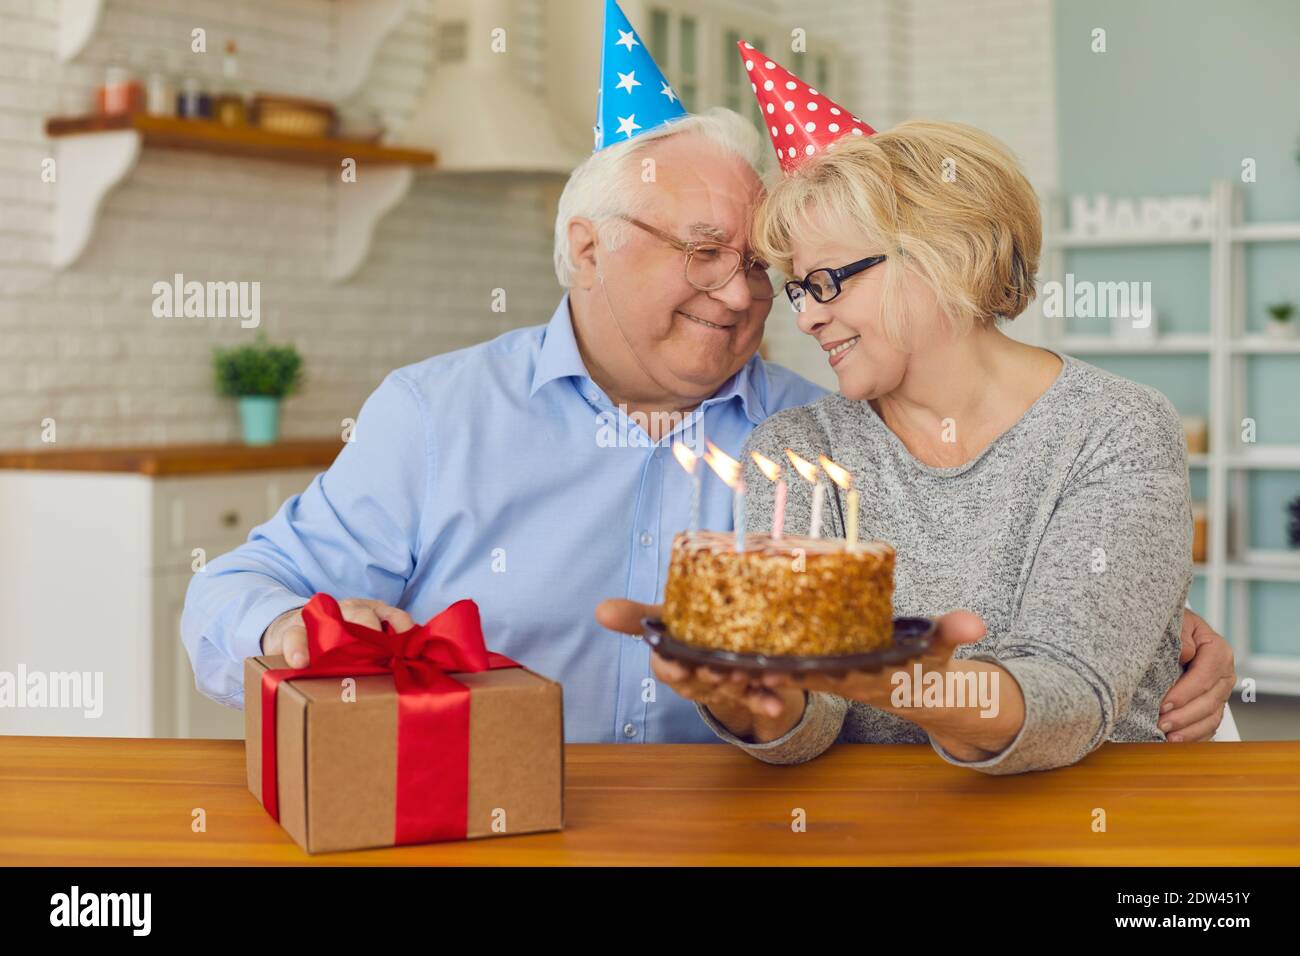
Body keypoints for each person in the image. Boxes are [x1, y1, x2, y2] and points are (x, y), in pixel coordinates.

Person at [183, 12, 1234, 748]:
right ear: (587, 248)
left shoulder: (812, 429)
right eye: (702, 252)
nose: (746, 296)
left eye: (768, 270)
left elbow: (1000, 638)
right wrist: (288, 630)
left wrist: (1145, 632)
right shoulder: (435, 416)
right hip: (481, 814)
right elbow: (234, 589)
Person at [601, 49, 1224, 773]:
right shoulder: (799, 447)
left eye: (827, 281)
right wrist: (752, 701)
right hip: (872, 824)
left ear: (945, 254)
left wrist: (909, 685)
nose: (806, 317)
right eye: (799, 289)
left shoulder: (1113, 428)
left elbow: (1071, 694)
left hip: (1093, 818)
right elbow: (808, 721)